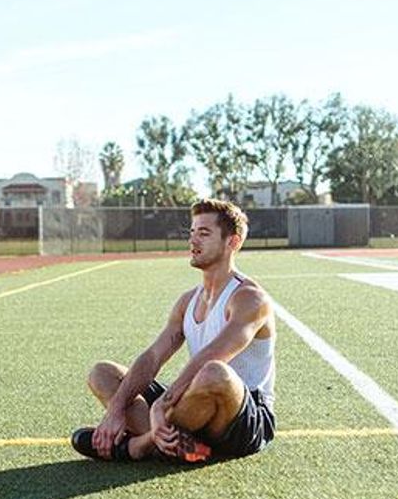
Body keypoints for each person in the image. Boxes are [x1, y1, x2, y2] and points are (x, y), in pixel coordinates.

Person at [71, 199, 276, 464]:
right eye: (191, 232)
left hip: (243, 418)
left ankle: (138, 446)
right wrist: (116, 409)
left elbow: (213, 356)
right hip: (196, 409)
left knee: (215, 373)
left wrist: (162, 405)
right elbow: (154, 357)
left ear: (232, 243)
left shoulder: (249, 299)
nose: (193, 241)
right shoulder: (188, 301)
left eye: (204, 233)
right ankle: (180, 444)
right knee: (103, 373)